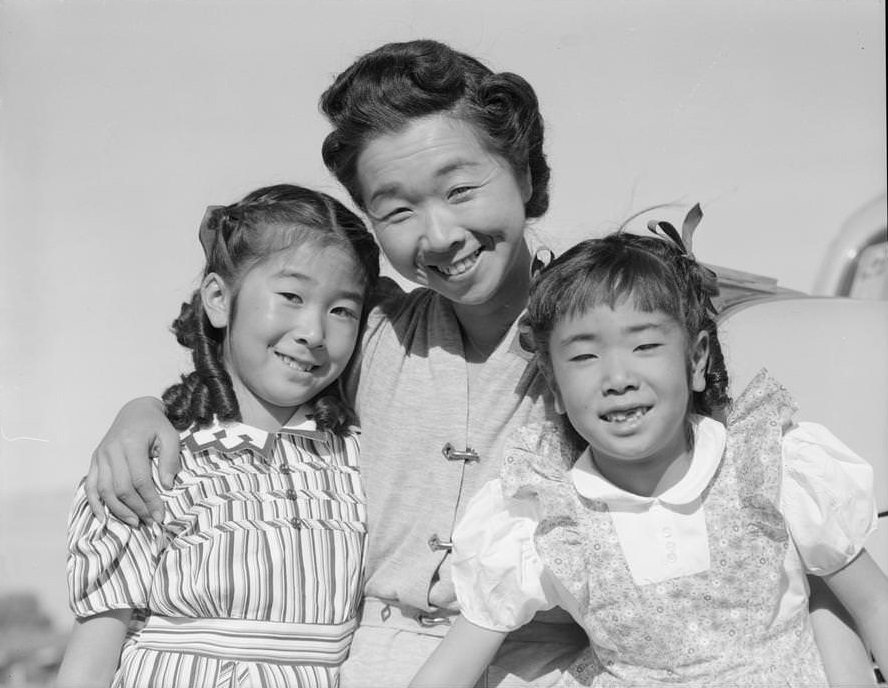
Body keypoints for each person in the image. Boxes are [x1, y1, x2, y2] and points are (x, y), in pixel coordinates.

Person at [80, 41, 870, 686]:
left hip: (553, 666)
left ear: (524, 175)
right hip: (367, 663)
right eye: (395, 209)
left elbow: (755, 502)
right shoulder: (370, 330)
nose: (440, 234)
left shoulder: (606, 331)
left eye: (461, 188)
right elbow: (261, 371)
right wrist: (145, 410)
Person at [410, 219, 888, 687]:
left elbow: (874, 604)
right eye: (583, 356)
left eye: (644, 345)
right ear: (553, 386)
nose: (618, 378)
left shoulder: (768, 466)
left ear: (696, 359)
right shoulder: (544, 516)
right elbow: (454, 665)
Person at [57, 184, 380, 688]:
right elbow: (95, 650)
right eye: (291, 296)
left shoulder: (364, 460)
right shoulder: (158, 460)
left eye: (342, 309)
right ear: (218, 299)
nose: (314, 332)